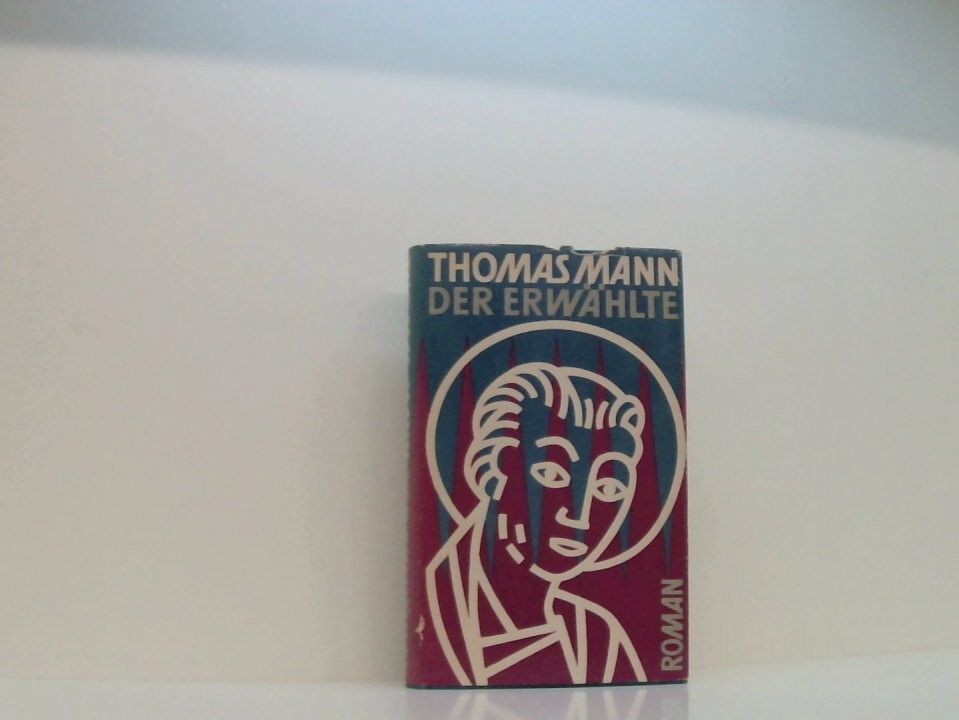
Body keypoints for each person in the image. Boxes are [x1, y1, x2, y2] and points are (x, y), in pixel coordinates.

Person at [425, 362, 647, 686]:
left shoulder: (596, 636)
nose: (580, 514)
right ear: (492, 471)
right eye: (552, 474)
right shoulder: (441, 597)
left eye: (608, 488)